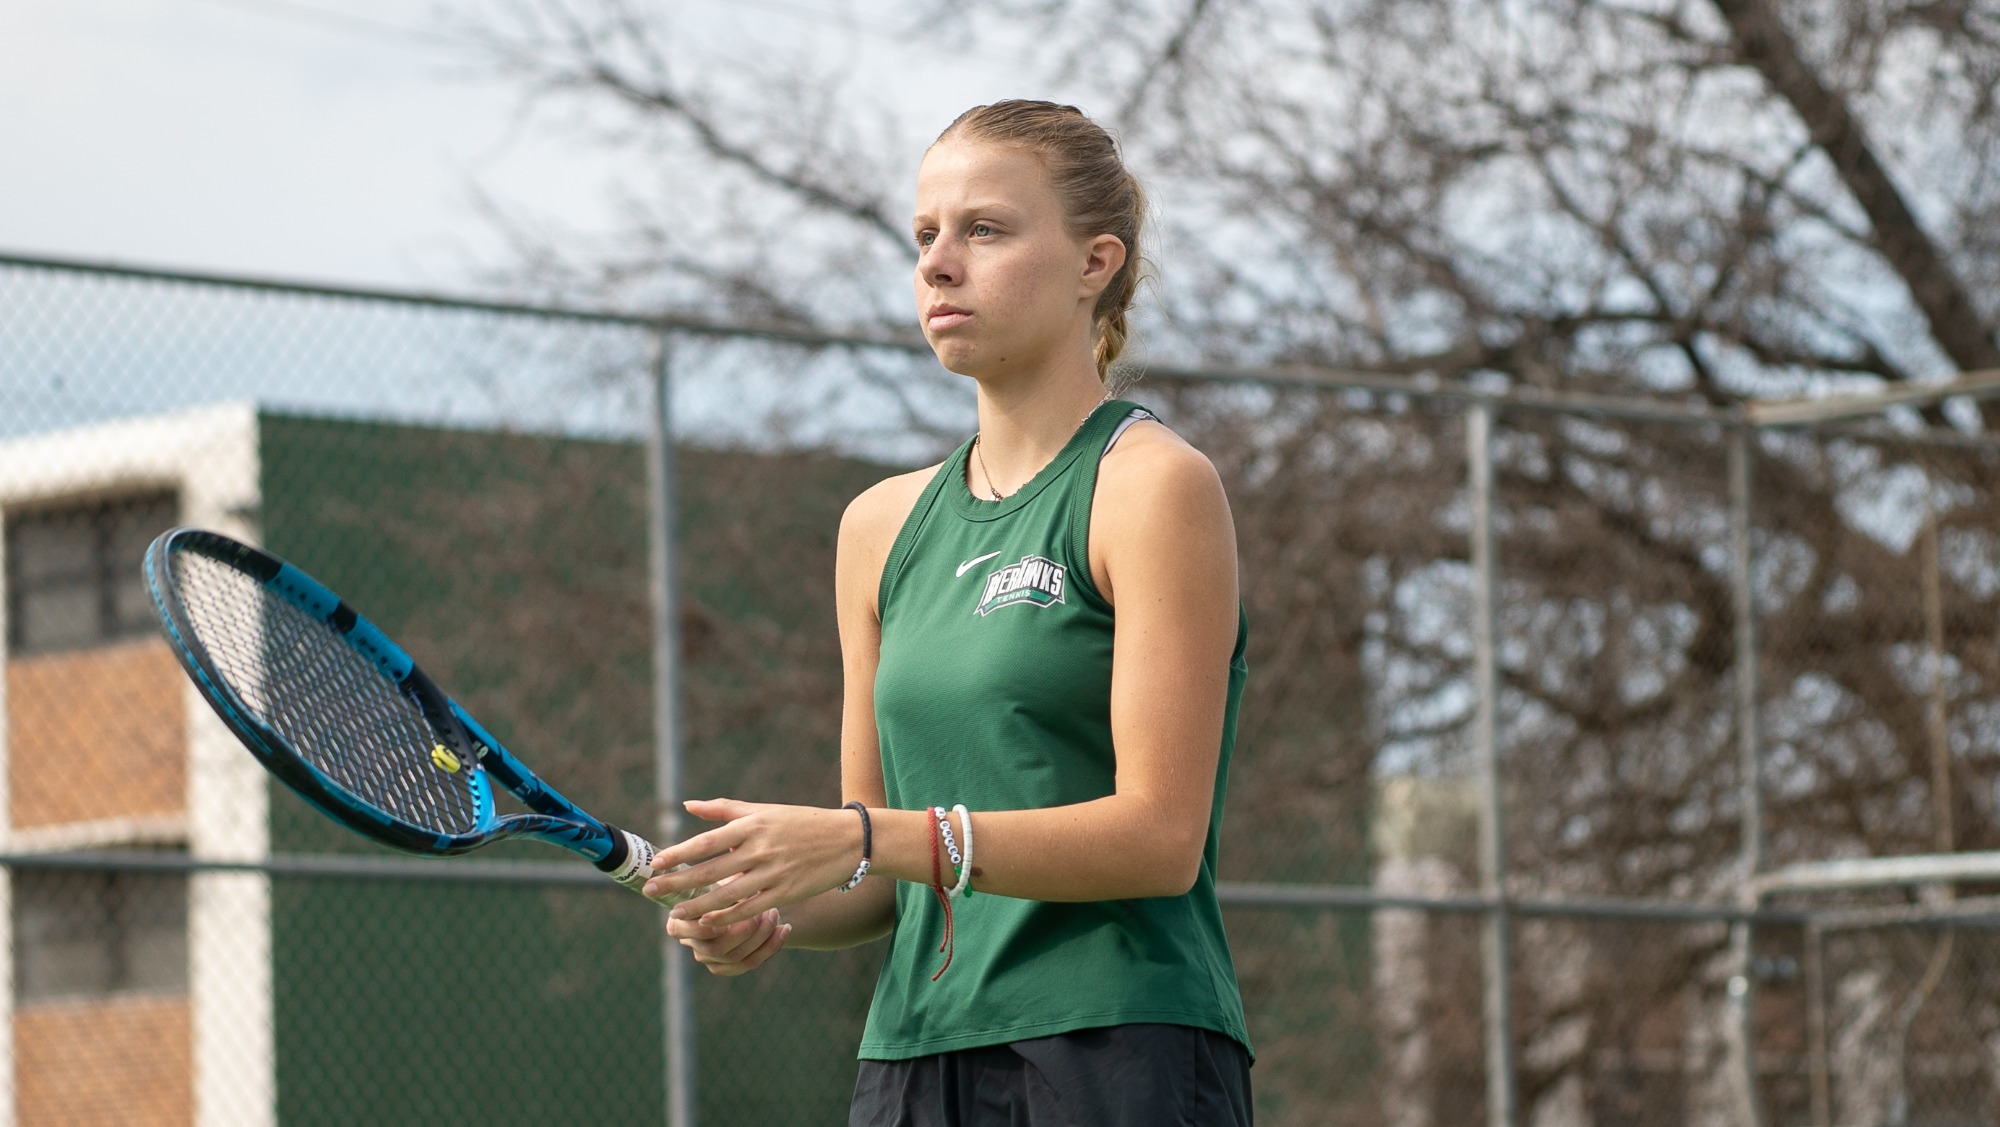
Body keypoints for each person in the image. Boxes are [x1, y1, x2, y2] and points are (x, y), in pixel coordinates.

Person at [645, 99, 1253, 1126]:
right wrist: (777, 905)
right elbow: (880, 876)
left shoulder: (1151, 486)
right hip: (912, 1058)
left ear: (1093, 263)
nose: (936, 263)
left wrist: (860, 835)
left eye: (984, 229)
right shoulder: (877, 525)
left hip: (1118, 1043)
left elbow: (1158, 837)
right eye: (924, 234)